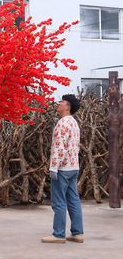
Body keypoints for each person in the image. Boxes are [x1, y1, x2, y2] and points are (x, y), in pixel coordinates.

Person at [42, 94, 84, 244]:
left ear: (68, 107)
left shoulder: (62, 123)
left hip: (62, 168)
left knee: (58, 201)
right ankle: (77, 233)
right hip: (73, 167)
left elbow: (60, 147)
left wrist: (54, 167)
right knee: (73, 200)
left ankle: (59, 234)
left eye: (62, 102)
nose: (58, 104)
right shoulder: (74, 123)